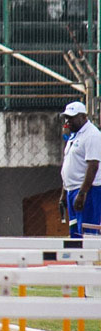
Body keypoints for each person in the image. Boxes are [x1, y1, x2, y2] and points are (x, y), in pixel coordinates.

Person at [59, 101, 101, 238]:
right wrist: (64, 192)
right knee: (75, 234)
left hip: (87, 191)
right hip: (72, 190)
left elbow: (93, 165)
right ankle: (79, 260)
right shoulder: (74, 135)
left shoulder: (92, 135)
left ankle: (90, 260)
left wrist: (82, 193)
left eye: (71, 117)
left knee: (87, 234)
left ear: (83, 117)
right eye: (67, 117)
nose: (68, 121)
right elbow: (69, 165)